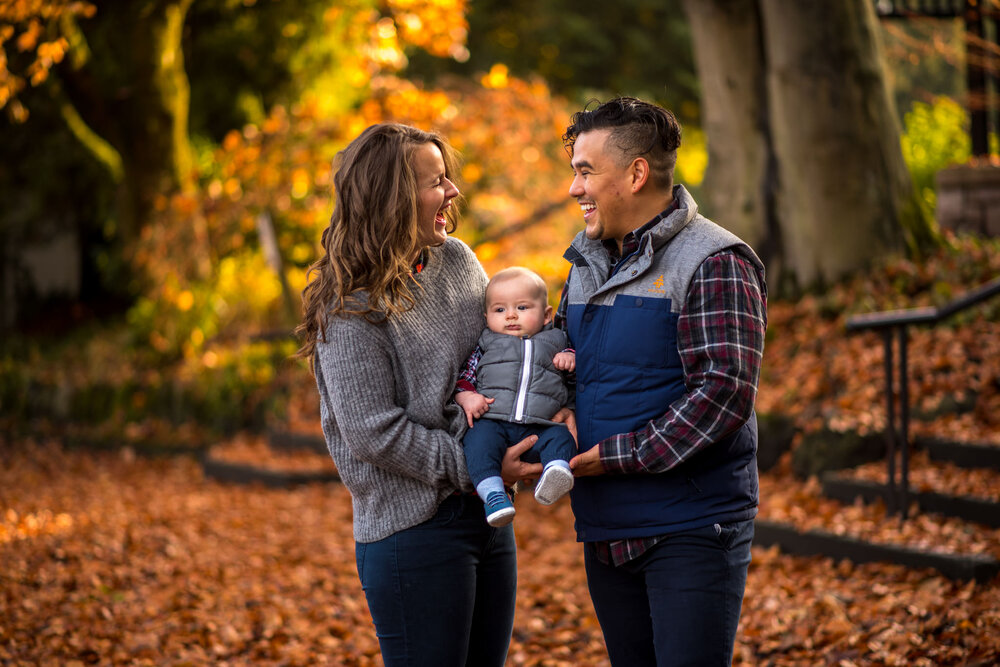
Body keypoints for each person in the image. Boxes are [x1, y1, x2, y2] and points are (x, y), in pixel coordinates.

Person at [295, 123, 546, 667]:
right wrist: (481, 467)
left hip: (486, 515)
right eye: (436, 181)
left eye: (446, 177)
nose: (452, 192)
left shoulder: (456, 261)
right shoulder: (351, 308)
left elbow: (499, 351)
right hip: (413, 531)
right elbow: (373, 432)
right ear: (392, 197)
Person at [556, 97, 768, 666]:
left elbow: (723, 393)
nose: (574, 189)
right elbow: (561, 359)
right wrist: (554, 416)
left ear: (636, 173)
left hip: (691, 527)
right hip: (605, 527)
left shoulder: (714, 260)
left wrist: (618, 456)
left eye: (585, 172)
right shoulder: (583, 264)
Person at [454, 266, 577, 527]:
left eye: (522, 308)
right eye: (500, 310)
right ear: (487, 316)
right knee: (477, 442)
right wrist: (466, 396)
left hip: (540, 425)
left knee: (561, 435)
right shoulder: (485, 343)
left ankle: (556, 471)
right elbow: (466, 375)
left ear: (546, 315)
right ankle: (494, 495)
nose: (510, 315)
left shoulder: (558, 341)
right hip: (494, 421)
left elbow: (574, 382)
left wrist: (570, 358)